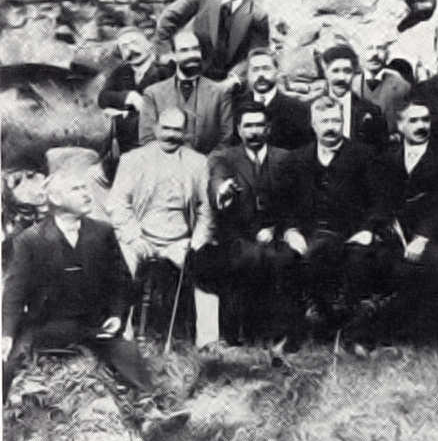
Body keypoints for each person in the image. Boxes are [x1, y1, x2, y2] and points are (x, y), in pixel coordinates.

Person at [3, 148, 151, 397]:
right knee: (7, 363)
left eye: (85, 188)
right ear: (56, 199)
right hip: (45, 325)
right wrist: (6, 334)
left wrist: (116, 315)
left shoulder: (102, 232)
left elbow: (120, 282)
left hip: (91, 324)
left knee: (128, 355)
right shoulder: (30, 239)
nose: (86, 194)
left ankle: (149, 407)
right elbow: (14, 293)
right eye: (76, 189)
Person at [360, 94, 438, 344]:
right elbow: (381, 201)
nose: (421, 126)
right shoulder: (387, 158)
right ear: (400, 125)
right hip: (395, 234)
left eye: (425, 120)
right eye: (414, 120)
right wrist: (373, 229)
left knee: (433, 260)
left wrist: (423, 237)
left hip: (435, 234)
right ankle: (376, 330)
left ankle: (429, 333)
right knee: (369, 258)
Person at [108, 108, 216, 345]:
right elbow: (117, 204)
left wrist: (196, 242)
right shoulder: (132, 160)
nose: (170, 135)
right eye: (166, 128)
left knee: (205, 267)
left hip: (180, 241)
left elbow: (206, 209)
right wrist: (135, 238)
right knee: (122, 265)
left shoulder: (198, 162)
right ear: (156, 128)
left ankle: (208, 340)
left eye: (177, 130)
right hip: (140, 237)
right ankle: (120, 334)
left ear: (185, 133)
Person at [202, 100, 305, 346]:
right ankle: (237, 333)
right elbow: (217, 181)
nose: (254, 131)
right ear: (239, 129)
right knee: (246, 258)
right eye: (248, 126)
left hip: (276, 233)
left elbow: (294, 201)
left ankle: (280, 335)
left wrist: (279, 229)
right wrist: (223, 191)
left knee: (284, 259)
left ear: (268, 128)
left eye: (259, 125)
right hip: (238, 235)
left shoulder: (285, 158)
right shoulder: (225, 158)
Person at [291, 96, 376, 335]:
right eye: (324, 121)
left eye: (336, 121)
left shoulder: (364, 155)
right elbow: (285, 203)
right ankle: (318, 316)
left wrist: (368, 229)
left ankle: (348, 325)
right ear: (313, 125)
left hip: (351, 231)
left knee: (355, 259)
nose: (331, 127)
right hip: (310, 232)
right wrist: (290, 231)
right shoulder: (298, 159)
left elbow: (380, 201)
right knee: (301, 256)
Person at [155, 0, 269, 89]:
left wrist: (233, 79)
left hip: (229, 80)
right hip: (193, 70)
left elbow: (257, 53)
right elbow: (168, 18)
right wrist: (166, 54)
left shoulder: (257, 14)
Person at [139, 30, 233, 154]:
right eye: (184, 50)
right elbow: (147, 139)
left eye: (195, 49)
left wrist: (204, 162)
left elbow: (226, 140)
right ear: (173, 55)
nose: (191, 55)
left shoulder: (220, 93)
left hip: (208, 163)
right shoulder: (153, 94)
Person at [98, 27, 172, 153]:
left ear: (149, 45)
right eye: (124, 47)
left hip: (156, 145)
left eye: (135, 43)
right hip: (124, 146)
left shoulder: (166, 71)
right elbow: (103, 97)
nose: (131, 50)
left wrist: (124, 112)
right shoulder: (121, 72)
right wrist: (129, 97)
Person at [238, 47, 312, 149]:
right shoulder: (236, 106)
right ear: (247, 75)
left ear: (277, 71)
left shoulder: (298, 109)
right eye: (255, 70)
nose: (260, 74)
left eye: (266, 68)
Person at [320, 44, 388, 152]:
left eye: (347, 71)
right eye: (335, 71)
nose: (341, 78)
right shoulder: (309, 108)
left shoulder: (372, 111)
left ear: (354, 72)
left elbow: (380, 152)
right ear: (325, 71)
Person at [352, 37, 411, 134]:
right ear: (359, 55)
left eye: (380, 48)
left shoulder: (402, 86)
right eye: (369, 48)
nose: (375, 54)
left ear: (387, 55)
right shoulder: (350, 85)